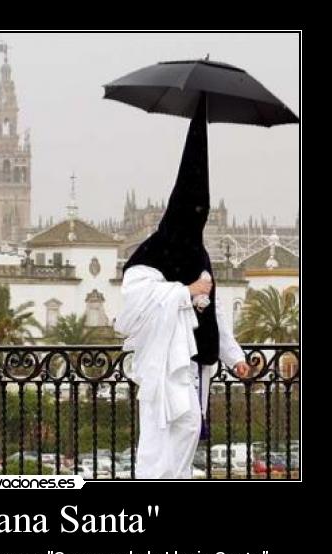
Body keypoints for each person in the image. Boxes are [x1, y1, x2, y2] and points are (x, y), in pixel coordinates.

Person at [114, 95, 250, 479]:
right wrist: (185, 291)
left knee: (188, 431)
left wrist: (234, 356)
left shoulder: (199, 252)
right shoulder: (153, 251)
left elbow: (216, 312)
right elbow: (136, 297)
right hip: (167, 362)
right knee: (168, 432)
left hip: (198, 362)